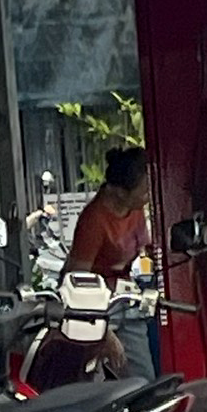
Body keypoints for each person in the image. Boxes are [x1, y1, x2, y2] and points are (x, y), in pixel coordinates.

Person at [65, 146, 155, 377]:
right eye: (143, 192)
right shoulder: (94, 221)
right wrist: (102, 329)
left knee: (142, 378)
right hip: (98, 304)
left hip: (127, 298)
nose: (147, 197)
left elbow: (147, 249)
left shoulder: (134, 210)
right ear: (119, 192)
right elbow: (77, 280)